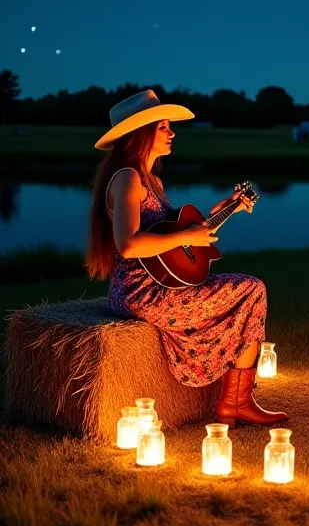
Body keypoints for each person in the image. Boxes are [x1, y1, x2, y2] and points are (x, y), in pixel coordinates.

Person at [86, 89, 287, 428]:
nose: (171, 132)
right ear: (142, 132)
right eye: (163, 126)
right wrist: (187, 236)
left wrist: (226, 210)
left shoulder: (152, 180)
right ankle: (236, 403)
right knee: (252, 290)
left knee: (248, 291)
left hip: (158, 283)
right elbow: (129, 246)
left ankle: (236, 401)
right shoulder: (127, 178)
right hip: (140, 292)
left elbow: (169, 237)